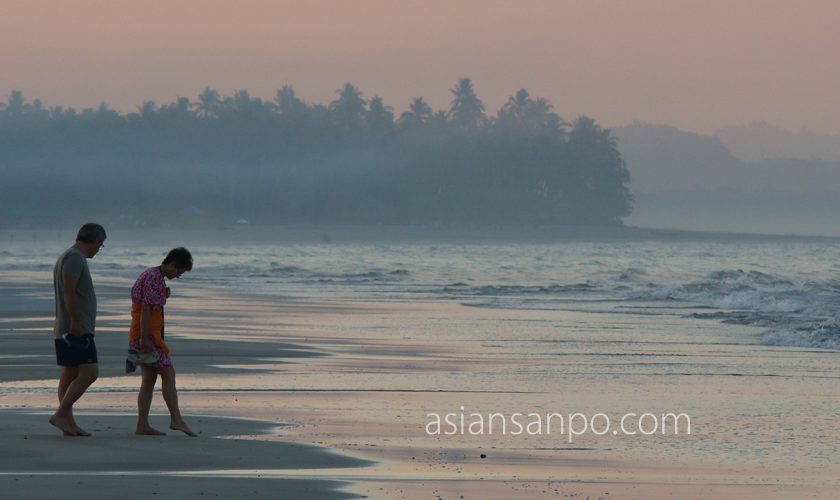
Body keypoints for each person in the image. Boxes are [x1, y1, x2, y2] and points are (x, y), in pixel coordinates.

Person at [129, 247, 197, 437]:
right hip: (147, 337)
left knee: (149, 379)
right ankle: (176, 420)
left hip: (142, 334)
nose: (178, 276)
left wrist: (162, 295)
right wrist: (144, 339)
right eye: (179, 271)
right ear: (172, 264)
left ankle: (142, 425)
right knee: (168, 373)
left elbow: (145, 302)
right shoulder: (153, 278)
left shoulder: (152, 275)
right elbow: (145, 309)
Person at [50, 223, 106, 436]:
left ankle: (67, 422)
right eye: (100, 244)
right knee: (90, 372)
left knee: (70, 373)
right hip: (75, 327)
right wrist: (75, 321)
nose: (99, 249)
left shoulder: (70, 256)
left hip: (69, 325)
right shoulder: (74, 257)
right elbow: (69, 290)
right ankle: (61, 414)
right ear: (93, 240)